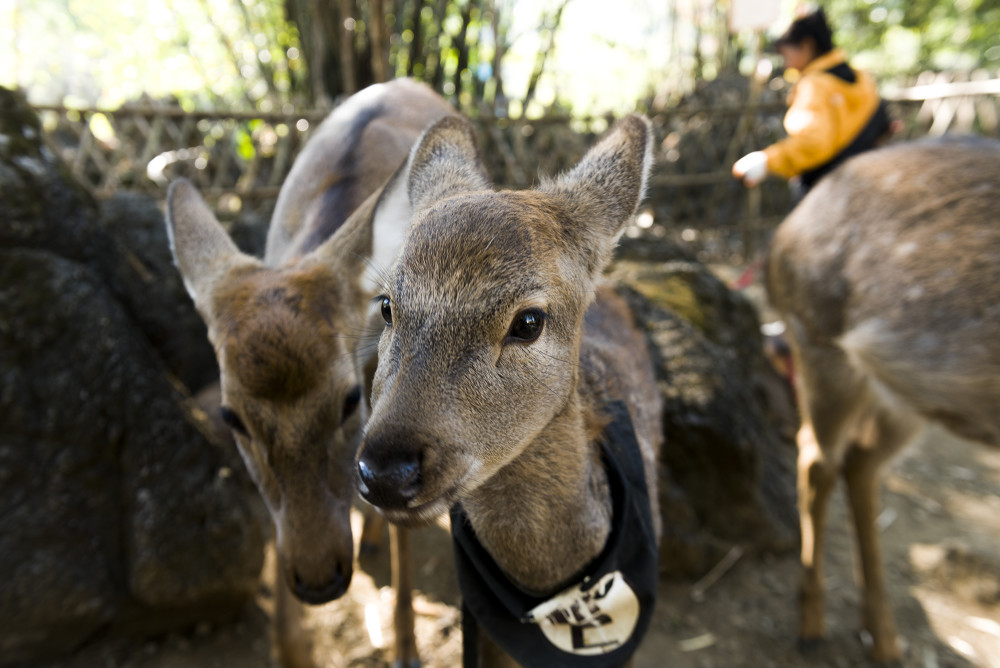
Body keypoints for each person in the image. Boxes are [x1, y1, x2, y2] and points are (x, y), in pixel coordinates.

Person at [732, 8, 891, 194]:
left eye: (786, 54)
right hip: (867, 182)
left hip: (826, 190)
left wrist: (767, 160)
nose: (786, 63)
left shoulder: (814, 85)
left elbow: (813, 143)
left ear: (807, 46)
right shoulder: (862, 77)